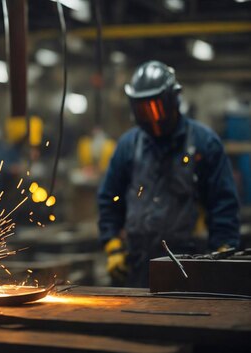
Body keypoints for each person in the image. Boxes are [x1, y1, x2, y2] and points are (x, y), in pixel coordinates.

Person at [97, 61, 240, 287]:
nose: (151, 117)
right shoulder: (128, 145)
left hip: (190, 264)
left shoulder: (204, 143)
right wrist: (113, 246)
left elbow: (223, 204)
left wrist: (223, 249)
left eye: (155, 108)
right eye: (143, 109)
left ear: (173, 100)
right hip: (136, 264)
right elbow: (109, 199)